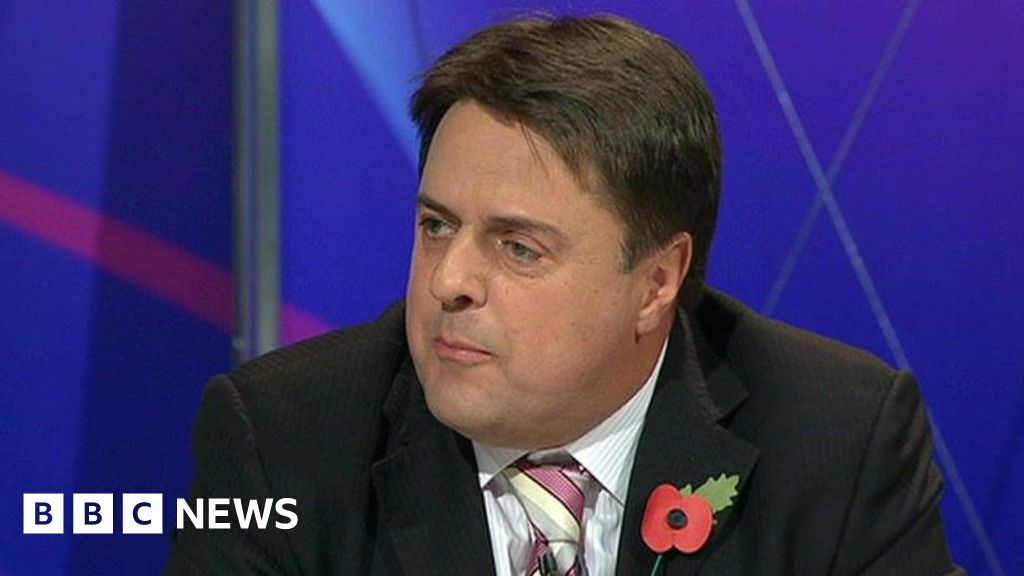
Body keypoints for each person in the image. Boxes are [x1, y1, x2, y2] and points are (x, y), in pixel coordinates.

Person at [165, 15, 962, 576]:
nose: (448, 282)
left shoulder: (836, 441)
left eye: (518, 247)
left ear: (656, 282)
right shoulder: (283, 444)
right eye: (437, 226)